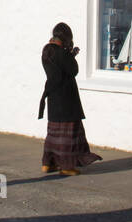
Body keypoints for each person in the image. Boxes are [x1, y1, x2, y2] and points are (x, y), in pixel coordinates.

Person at [38, 23, 102, 175]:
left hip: (53, 95)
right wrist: (70, 55)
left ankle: (48, 163)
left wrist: (70, 54)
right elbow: (73, 70)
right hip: (66, 98)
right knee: (69, 134)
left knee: (54, 133)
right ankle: (66, 166)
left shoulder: (46, 50)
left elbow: (59, 67)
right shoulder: (61, 52)